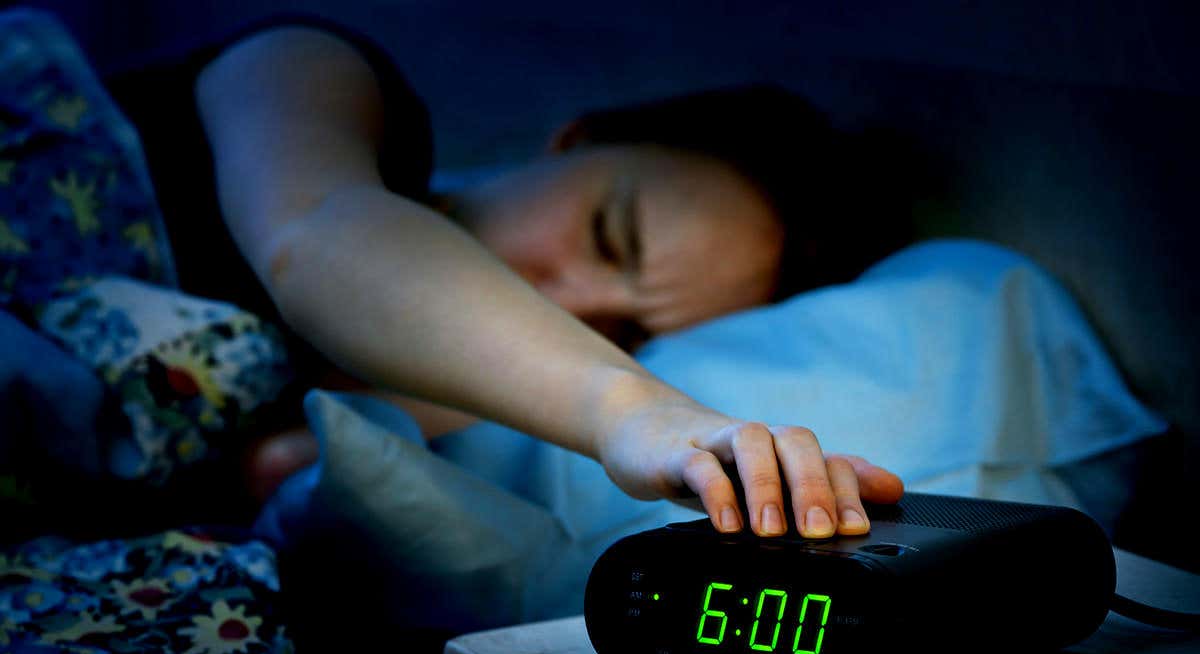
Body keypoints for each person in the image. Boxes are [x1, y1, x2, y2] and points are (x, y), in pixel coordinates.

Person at [128, 16, 905, 539]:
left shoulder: (463, 405)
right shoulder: (317, 69)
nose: (570, 303)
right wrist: (631, 407)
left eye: (629, 337)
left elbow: (265, 471)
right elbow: (315, 228)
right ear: (581, 138)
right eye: (608, 237)